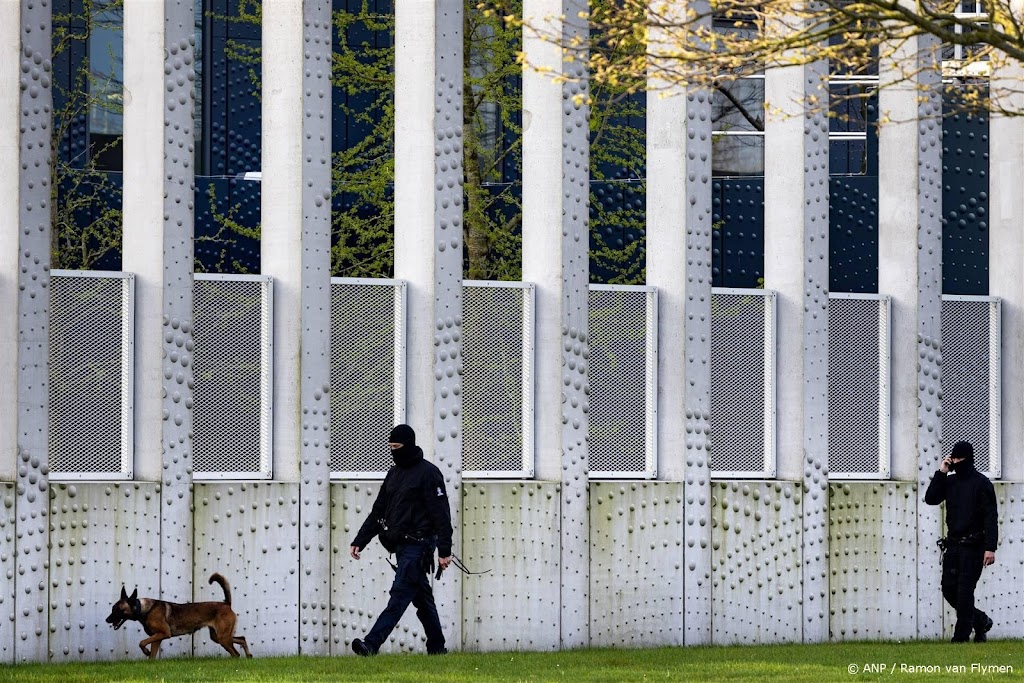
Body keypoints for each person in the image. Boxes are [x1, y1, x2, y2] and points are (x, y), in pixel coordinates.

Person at [349, 424, 453, 656]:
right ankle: (437, 648)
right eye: (390, 447)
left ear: (409, 445)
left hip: (420, 546)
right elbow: (379, 512)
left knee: (399, 596)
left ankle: (371, 644)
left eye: (397, 447)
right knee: (423, 601)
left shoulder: (429, 473)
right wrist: (360, 540)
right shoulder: (393, 474)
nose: (393, 451)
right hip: (401, 546)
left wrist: (444, 551)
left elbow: (441, 514)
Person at [924, 440, 998, 643]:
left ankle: (961, 637)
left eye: (958, 458)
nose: (955, 461)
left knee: (965, 591)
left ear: (967, 459)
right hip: (953, 545)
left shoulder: (982, 483)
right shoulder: (950, 482)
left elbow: (991, 517)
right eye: (952, 458)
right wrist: (942, 473)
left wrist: (990, 548)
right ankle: (981, 620)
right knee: (949, 589)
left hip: (974, 546)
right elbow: (930, 498)